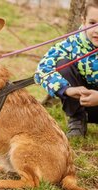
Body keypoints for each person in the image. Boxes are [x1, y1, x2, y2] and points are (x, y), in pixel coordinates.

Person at [34, 0, 98, 138]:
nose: (97, 30)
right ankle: (77, 119)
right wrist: (66, 89)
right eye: (93, 23)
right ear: (84, 20)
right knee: (63, 63)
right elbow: (42, 70)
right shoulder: (72, 43)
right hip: (82, 102)